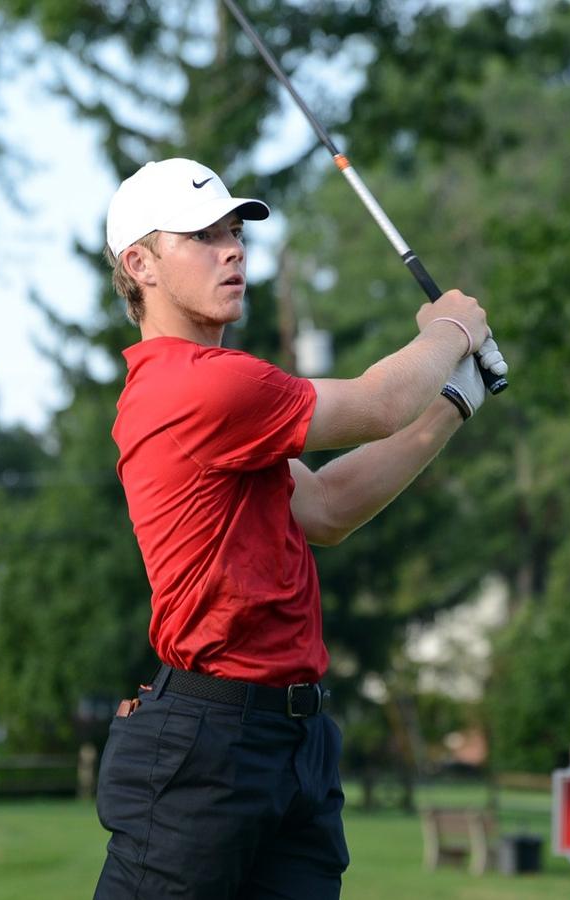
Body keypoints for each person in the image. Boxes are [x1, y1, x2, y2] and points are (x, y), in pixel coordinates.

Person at [93, 158, 506, 900]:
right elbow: (380, 403)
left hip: (293, 743)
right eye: (202, 236)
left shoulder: (228, 398)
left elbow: (326, 508)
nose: (233, 250)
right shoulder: (194, 384)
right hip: (205, 749)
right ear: (140, 265)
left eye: (233, 232)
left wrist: (454, 399)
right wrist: (450, 327)